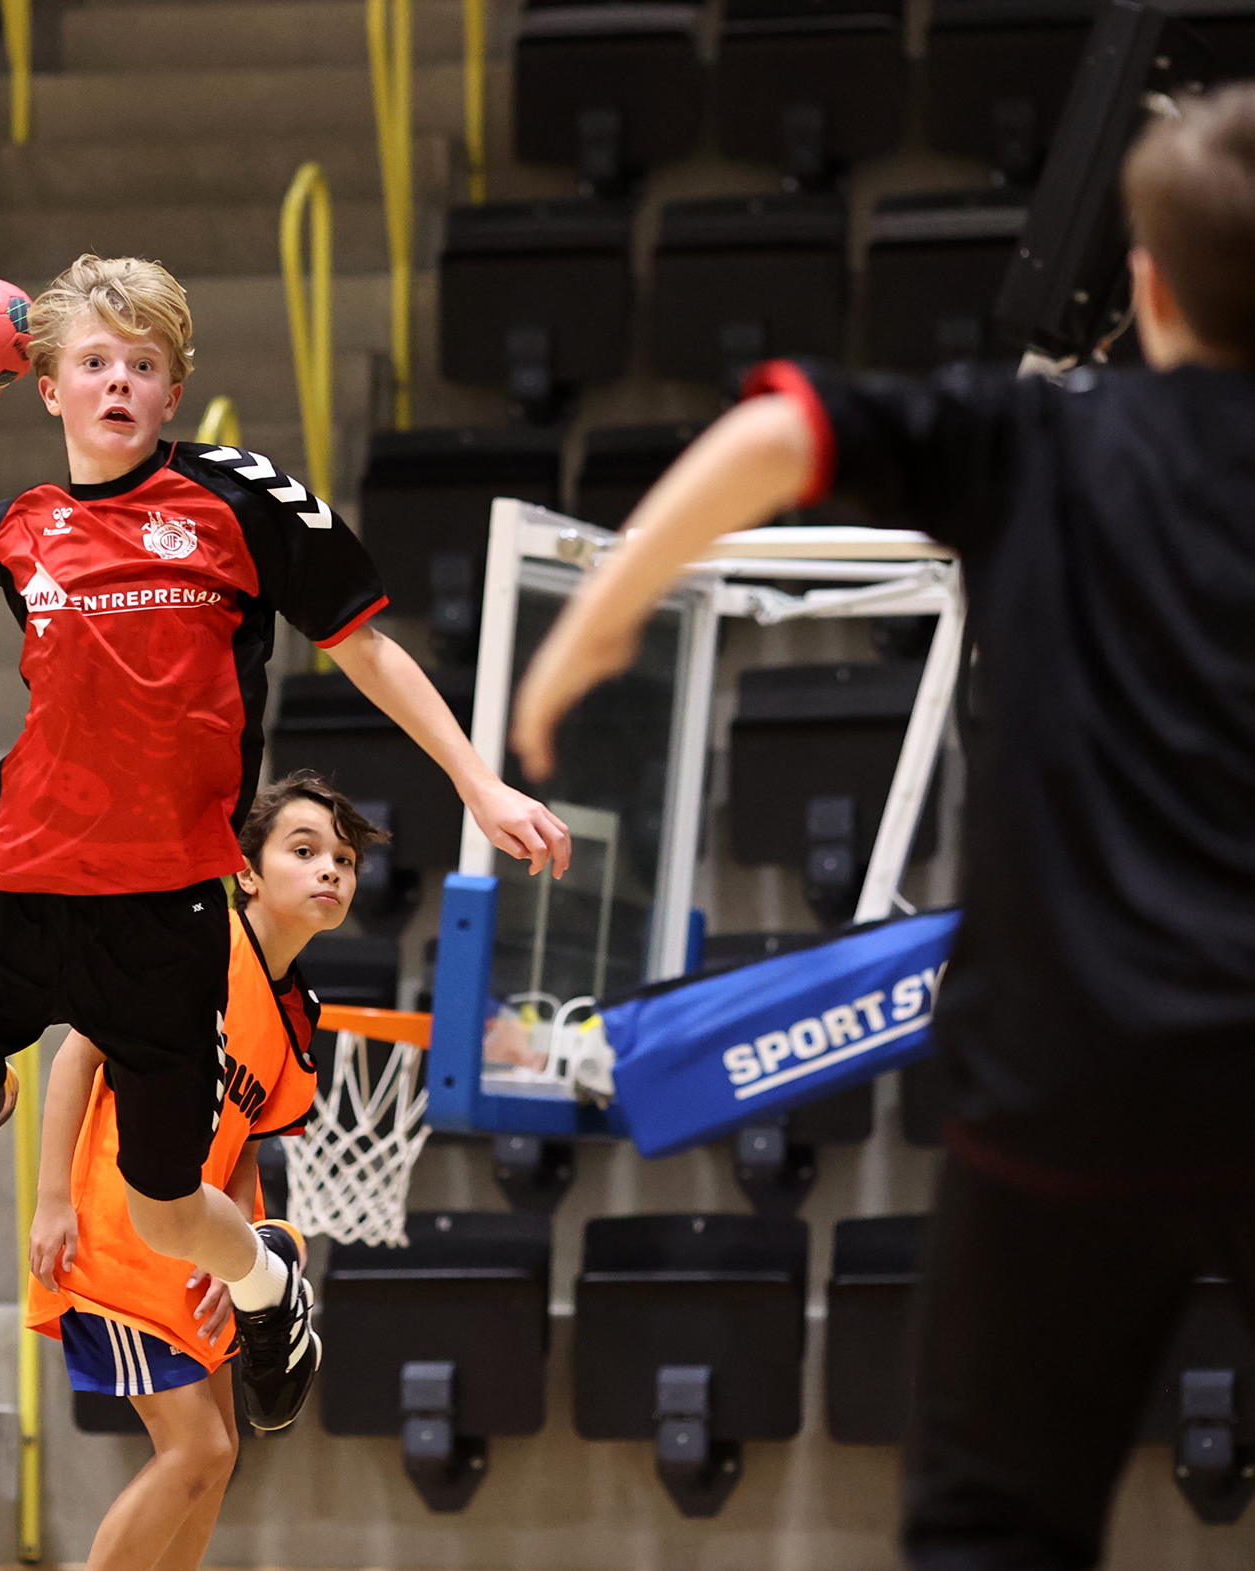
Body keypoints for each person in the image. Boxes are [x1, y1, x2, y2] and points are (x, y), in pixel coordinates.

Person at [510, 84, 1255, 1571]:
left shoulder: (1044, 442)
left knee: (993, 1527)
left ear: (1151, 284)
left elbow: (786, 426)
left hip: (1070, 1080)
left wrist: (599, 621)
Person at [0, 252, 570, 1429]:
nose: (118, 383)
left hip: (161, 916)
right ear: (47, 386)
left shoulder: (239, 501)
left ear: (172, 392)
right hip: (7, 894)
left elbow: (365, 645)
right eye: (93, 363)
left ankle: (271, 1293)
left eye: (143, 366)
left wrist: (477, 781)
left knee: (165, 1206)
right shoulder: (23, 528)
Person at [26, 773, 381, 1569]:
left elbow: (244, 1147)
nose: (331, 869)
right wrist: (52, 1200)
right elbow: (77, 1053)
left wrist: (242, 1257)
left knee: (218, 1458)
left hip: (190, 1259)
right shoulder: (196, 944)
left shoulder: (298, 1019)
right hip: (110, 1235)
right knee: (193, 1449)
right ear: (246, 871)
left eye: (344, 859)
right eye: (305, 849)